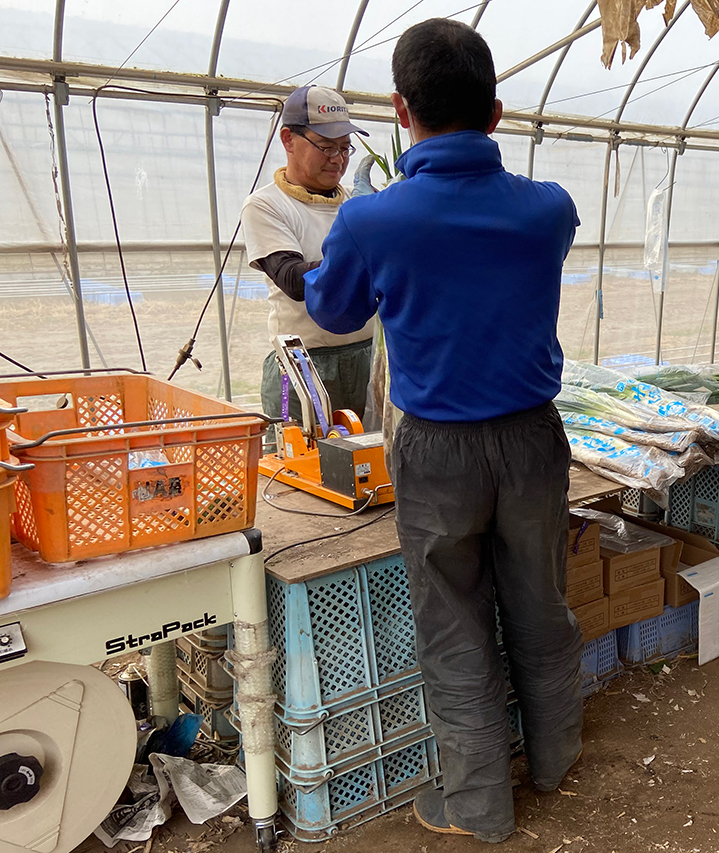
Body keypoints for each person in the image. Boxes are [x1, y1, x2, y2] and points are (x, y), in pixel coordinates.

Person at [304, 19, 582, 842]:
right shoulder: (548, 209)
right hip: (533, 438)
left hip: (438, 451)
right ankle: (557, 756)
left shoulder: (371, 220)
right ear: (496, 113)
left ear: (399, 110)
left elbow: (335, 309)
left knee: (455, 622)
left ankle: (478, 804)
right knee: (541, 601)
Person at [240, 85, 374, 431]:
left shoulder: (359, 204)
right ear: (288, 139)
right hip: (304, 365)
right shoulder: (267, 205)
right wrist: (362, 252)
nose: (338, 159)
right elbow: (294, 280)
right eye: (327, 147)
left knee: (371, 467)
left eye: (345, 148)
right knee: (300, 472)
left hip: (368, 357)